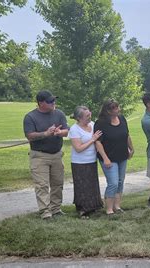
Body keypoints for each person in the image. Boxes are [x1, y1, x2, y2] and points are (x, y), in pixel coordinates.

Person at [23, 90, 69, 220]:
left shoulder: (59, 114)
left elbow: (66, 131)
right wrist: (45, 133)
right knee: (42, 185)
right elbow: (29, 135)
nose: (53, 103)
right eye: (50, 101)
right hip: (39, 156)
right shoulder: (30, 117)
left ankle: (56, 209)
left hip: (57, 155)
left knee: (58, 183)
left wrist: (60, 132)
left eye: (54, 100)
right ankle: (45, 212)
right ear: (41, 103)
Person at [94, 99, 134, 215]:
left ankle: (117, 206)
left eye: (118, 107)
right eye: (115, 108)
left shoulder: (122, 119)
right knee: (113, 183)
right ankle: (109, 209)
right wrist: (105, 158)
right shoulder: (100, 123)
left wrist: (131, 148)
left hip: (122, 155)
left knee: (120, 181)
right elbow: (98, 142)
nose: (118, 110)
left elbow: (126, 135)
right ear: (108, 111)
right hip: (108, 158)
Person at [68, 106, 104, 219]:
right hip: (79, 163)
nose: (90, 117)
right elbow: (78, 148)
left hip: (91, 160)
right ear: (79, 118)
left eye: (90, 114)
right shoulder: (74, 129)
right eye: (87, 116)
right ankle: (82, 209)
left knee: (92, 184)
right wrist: (92, 139)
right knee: (82, 186)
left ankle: (94, 206)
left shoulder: (92, 124)